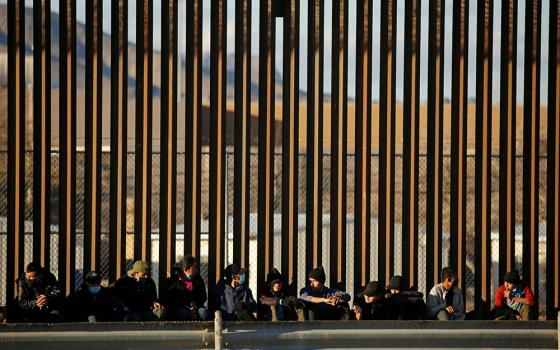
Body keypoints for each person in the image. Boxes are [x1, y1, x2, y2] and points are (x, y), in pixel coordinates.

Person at [161, 256, 208, 321]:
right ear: (186, 270)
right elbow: (170, 300)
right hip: (179, 308)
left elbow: (203, 296)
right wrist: (186, 306)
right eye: (194, 268)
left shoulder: (198, 279)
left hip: (195, 307)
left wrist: (195, 305)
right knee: (184, 314)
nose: (197, 270)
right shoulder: (174, 281)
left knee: (203, 313)